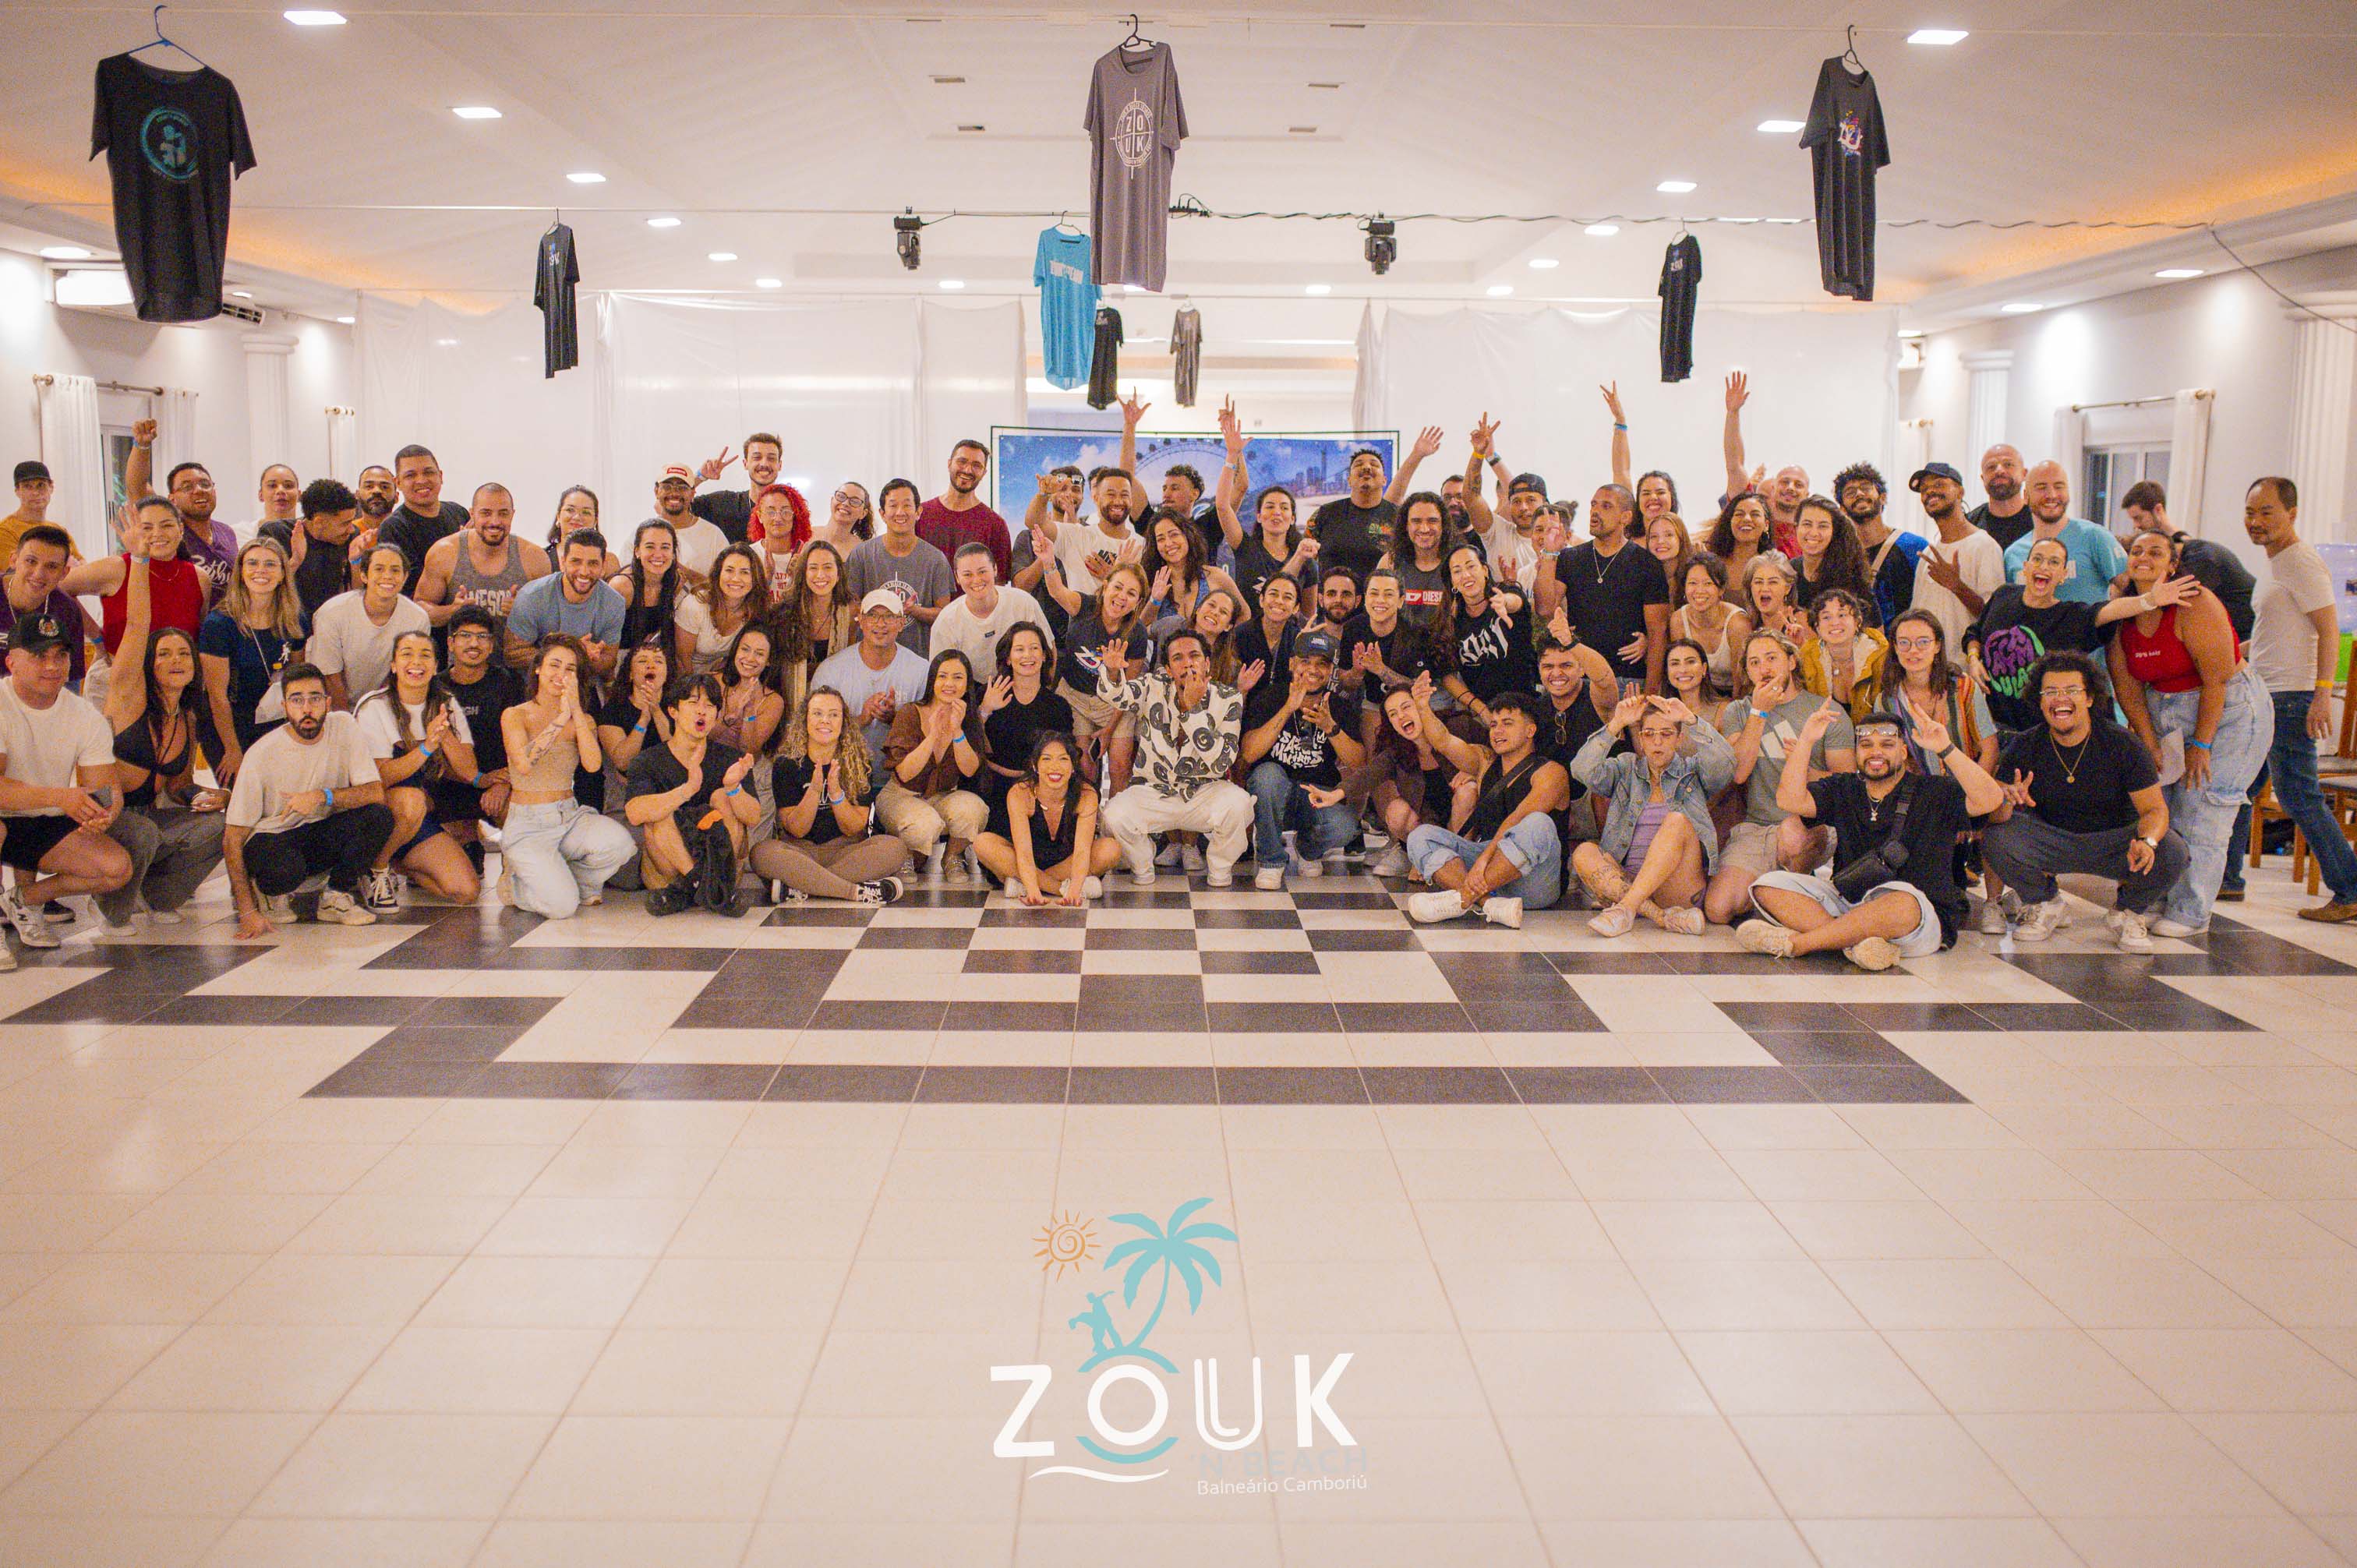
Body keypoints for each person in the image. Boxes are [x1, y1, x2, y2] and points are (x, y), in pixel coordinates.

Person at [1742, 700, 2007, 969]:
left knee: (1902, 900)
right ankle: (1858, 943)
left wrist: (1945, 748)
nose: (1875, 752)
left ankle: (1800, 944)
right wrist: (1807, 741)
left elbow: (1991, 799)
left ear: (1903, 751)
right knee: (1767, 884)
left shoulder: (1934, 790)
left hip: (1916, 914)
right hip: (1850, 901)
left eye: (1887, 745)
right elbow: (1790, 800)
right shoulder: (1845, 787)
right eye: (1866, 745)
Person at [2108, 528, 2272, 938]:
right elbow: (2127, 688)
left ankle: (2192, 912)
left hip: (2229, 711)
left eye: (2156, 552)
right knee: (2161, 809)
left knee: (2203, 814)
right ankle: (2157, 896)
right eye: (2137, 551)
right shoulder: (2124, 611)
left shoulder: (2195, 602)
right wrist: (2148, 742)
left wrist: (2202, 744)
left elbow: (2217, 680)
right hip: (2165, 710)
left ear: (2172, 564)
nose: (2144, 557)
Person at [1981, 651, 2190, 949]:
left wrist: (2148, 842)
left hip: (2117, 843)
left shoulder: (2123, 745)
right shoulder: (2025, 745)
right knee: (1997, 838)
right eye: (2050, 692)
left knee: (2172, 850)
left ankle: (2128, 912)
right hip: (2051, 840)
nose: (2060, 699)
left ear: (2090, 698)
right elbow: (1996, 816)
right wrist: (2006, 799)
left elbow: (2155, 809)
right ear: (2040, 700)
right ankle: (2045, 903)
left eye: (2071, 690)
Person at [2228, 477, 2357, 920]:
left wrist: (2322, 693)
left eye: (2267, 512)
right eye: (2250, 513)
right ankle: (2226, 880)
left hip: (2292, 698)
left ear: (2292, 514)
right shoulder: (2276, 563)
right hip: (2267, 695)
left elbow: (2329, 631)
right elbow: (2275, 635)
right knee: (2240, 788)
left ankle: (2350, 889)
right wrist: (2230, 652)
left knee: (2298, 795)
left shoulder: (2301, 561)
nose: (2256, 521)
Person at [221, 662, 394, 935]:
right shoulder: (261, 754)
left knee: (379, 817)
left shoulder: (344, 726)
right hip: (271, 837)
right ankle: (268, 893)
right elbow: (232, 837)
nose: (307, 709)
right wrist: (246, 911)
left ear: (327, 703)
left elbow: (374, 792)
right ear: (284, 707)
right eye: (297, 700)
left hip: (317, 829)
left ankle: (335, 896)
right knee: (285, 870)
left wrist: (321, 796)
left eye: (315, 698)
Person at [0, 615, 132, 959]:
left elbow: (105, 788)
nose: (52, 666)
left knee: (116, 869)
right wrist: (61, 797)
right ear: (11, 662)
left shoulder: (85, 715)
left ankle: (23, 901)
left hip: (42, 820)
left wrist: (103, 813)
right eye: (39, 656)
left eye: (60, 655)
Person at [1967, 536, 2186, 736]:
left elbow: (2110, 610)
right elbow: (1975, 633)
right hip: (1995, 728)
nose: (2044, 566)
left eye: (2054, 562)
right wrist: (1974, 659)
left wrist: (2149, 600)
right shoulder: (2003, 595)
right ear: (2026, 567)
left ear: (2063, 575)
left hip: (2043, 735)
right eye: (2038, 559)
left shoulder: (2070, 617)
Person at [1708, 631, 1854, 926]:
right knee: (1718, 909)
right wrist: (1759, 712)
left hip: (1811, 824)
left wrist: (1801, 767)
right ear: (1748, 672)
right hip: (1758, 828)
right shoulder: (1739, 711)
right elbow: (1739, 773)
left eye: (1772, 658)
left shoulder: (1826, 710)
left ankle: (1790, 901)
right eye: (1754, 662)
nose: (1764, 668)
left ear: (1791, 662)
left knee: (1791, 832)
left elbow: (1848, 784)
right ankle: (1784, 902)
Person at [98, 607, 225, 933]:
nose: (176, 660)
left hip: (148, 816)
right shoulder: (130, 702)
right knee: (143, 832)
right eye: (164, 654)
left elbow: (179, 785)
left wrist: (214, 797)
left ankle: (158, 897)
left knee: (224, 823)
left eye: (184, 653)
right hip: (106, 817)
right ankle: (110, 909)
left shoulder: (188, 717)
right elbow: (136, 623)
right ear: (149, 664)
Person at [1400, 683, 1566, 927]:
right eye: (1494, 724)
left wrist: (1483, 861)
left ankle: (1464, 898)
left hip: (1533, 879)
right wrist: (1423, 707)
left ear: (1530, 730)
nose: (1498, 731)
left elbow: (1518, 818)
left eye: (1507, 723)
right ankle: (1489, 904)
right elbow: (1443, 741)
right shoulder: (1485, 761)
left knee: (1538, 823)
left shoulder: (1551, 772)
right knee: (1420, 836)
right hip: (1488, 869)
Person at [1094, 629, 1253, 887]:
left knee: (1240, 804)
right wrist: (1112, 672)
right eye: (1178, 658)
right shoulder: (1152, 686)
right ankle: (1142, 864)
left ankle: (1220, 868)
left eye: (1194, 656)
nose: (1188, 663)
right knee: (1114, 815)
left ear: (1207, 663)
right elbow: (1117, 695)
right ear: (1168, 669)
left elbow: (1222, 763)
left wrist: (1193, 710)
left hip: (1204, 792)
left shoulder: (1228, 698)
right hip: (1155, 791)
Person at [1569, 693, 1733, 937]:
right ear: (1641, 739)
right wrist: (1617, 723)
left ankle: (1626, 908)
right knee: (1584, 852)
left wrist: (1691, 719)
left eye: (1666, 734)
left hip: (1676, 887)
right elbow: (1581, 769)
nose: (1657, 741)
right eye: (1649, 734)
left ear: (1679, 739)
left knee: (1676, 820)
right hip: (1626, 881)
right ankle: (1658, 915)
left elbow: (1726, 765)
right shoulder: (1626, 769)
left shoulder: (1693, 771)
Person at [495, 635, 634, 916]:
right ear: (538, 669)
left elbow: (593, 765)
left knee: (622, 845)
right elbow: (523, 764)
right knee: (562, 908)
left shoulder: (583, 720)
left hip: (568, 815)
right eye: (554, 665)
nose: (561, 674)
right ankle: (514, 884)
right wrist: (560, 719)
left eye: (570, 669)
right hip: (529, 823)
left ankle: (578, 882)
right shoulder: (515, 715)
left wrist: (576, 712)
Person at [353, 629, 482, 910]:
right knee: (412, 799)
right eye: (407, 654)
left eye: (425, 655)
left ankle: (400, 863)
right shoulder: (375, 706)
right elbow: (380, 779)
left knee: (466, 891)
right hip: (378, 811)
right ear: (393, 665)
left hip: (415, 816)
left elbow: (468, 771)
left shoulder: (445, 702)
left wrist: (444, 735)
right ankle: (374, 869)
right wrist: (426, 747)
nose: (416, 663)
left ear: (435, 666)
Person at [752, 684, 910, 905]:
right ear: (805, 720)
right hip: (800, 852)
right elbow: (797, 829)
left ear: (843, 722)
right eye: (817, 713)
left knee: (895, 848)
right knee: (762, 853)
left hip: (847, 851)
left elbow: (853, 828)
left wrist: (836, 794)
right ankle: (854, 891)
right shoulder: (786, 763)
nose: (825, 721)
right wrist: (815, 790)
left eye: (834, 715)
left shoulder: (859, 762)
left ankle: (801, 886)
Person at [624, 673, 762, 916]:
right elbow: (635, 813)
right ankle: (705, 885)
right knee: (659, 813)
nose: (702, 711)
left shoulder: (731, 759)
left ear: (716, 716)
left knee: (722, 797)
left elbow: (753, 817)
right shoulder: (648, 760)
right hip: (669, 864)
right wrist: (686, 790)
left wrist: (733, 787)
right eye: (693, 703)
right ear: (673, 711)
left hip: (719, 857)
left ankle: (693, 888)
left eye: (709, 706)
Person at [1241, 629, 1363, 888]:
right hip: (1272, 795)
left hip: (1315, 796)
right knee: (1267, 776)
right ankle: (1271, 861)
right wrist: (1288, 708)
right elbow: (1250, 753)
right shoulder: (1271, 697)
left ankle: (1308, 849)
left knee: (1346, 827)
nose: (1313, 670)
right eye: (1305, 661)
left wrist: (1330, 727)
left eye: (1322, 664)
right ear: (1291, 664)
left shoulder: (1339, 705)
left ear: (1331, 670)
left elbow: (1358, 762)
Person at [1536, 482, 1668, 692]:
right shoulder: (1571, 558)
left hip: (1629, 681)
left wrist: (1651, 694)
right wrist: (1550, 553)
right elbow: (1545, 609)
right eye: (1593, 505)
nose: (1595, 511)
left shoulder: (1647, 563)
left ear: (1625, 517)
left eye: (1606, 506)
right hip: (1579, 681)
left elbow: (1657, 634)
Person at [196, 535, 307, 773]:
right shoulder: (219, 624)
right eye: (253, 563)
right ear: (241, 572)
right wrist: (232, 749)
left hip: (276, 719)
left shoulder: (294, 619)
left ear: (282, 574)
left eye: (270, 564)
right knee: (243, 787)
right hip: (230, 724)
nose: (261, 570)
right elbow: (217, 696)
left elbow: (297, 678)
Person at [1039, 556, 1150, 793]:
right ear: (1105, 586)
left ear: (1138, 602)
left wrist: (1110, 729)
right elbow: (1057, 592)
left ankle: (1115, 816)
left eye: (1131, 593)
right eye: (1118, 587)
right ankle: (1088, 813)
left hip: (1115, 704)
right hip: (1076, 697)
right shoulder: (1084, 606)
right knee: (1084, 766)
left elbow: (1129, 690)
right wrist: (1048, 562)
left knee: (1120, 766)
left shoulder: (1137, 633)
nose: (1122, 597)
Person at [976, 730, 1122, 905]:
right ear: (1035, 766)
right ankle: (1056, 887)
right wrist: (1037, 892)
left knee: (1111, 848)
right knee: (982, 843)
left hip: (1068, 862)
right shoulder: (1020, 793)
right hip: (1028, 860)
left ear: (1073, 766)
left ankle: (1021, 884)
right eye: (1046, 759)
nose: (1055, 767)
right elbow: (1023, 853)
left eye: (1063, 759)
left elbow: (1082, 852)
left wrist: (1075, 890)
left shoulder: (1087, 794)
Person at [878, 649, 990, 874]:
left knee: (975, 810)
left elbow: (970, 770)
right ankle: (906, 856)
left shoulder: (970, 719)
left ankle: (953, 856)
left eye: (958, 677)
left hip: (943, 795)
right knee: (925, 824)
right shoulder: (910, 713)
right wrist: (933, 735)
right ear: (933, 681)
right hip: (901, 795)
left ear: (967, 684)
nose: (949, 683)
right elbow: (905, 773)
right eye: (943, 676)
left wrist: (957, 731)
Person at [62, 496, 206, 660]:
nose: (157, 534)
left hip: (177, 673)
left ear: (181, 529)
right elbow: (56, 585)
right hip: (119, 671)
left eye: (167, 525)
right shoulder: (116, 568)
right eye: (147, 528)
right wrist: (96, 636)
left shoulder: (199, 578)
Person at [1604, 373, 1756, 519]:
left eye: (1660, 492)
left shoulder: (1682, 535)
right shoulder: (1629, 529)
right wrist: (1620, 421)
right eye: (1646, 493)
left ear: (1672, 499)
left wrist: (1733, 413)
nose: (1653, 497)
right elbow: (1621, 472)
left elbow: (1734, 467)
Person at [2122, 482, 2256, 640]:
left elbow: (2177, 605)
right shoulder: (2184, 546)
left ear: (2158, 510)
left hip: (2246, 639)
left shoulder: (2200, 557)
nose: (2136, 526)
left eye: (2138, 518)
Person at [1214, 403, 1315, 613]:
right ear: (1259, 516)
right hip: (1247, 631)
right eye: (1269, 506)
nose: (1277, 512)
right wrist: (1232, 454)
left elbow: (1307, 615)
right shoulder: (1245, 547)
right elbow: (1223, 506)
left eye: (1284, 508)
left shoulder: (1305, 559)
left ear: (1292, 518)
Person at [440, 605, 520, 864]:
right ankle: (470, 840)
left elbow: (526, 742)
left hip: (499, 782)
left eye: (482, 636)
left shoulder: (509, 683)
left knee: (520, 817)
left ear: (492, 644)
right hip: (451, 783)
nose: (474, 643)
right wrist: (477, 780)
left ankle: (515, 873)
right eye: (465, 636)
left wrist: (504, 783)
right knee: (453, 866)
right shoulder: (436, 688)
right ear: (450, 643)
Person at [309, 542, 431, 711]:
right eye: (379, 569)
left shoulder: (417, 618)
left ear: (405, 577)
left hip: (385, 705)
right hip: (332, 706)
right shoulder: (331, 613)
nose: (388, 576)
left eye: (395, 570)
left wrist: (376, 713)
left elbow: (404, 674)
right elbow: (330, 676)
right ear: (364, 576)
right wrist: (347, 721)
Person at [124, 424, 238, 605]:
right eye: (187, 487)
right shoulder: (168, 533)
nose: (199, 490)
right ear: (172, 499)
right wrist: (142, 446)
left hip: (223, 620)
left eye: (205, 484)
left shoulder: (227, 532)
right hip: (181, 620)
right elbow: (137, 487)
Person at [1432, 542, 1536, 733]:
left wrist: (1505, 603)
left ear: (1485, 570)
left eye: (1471, 566)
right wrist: (1481, 709)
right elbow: (1446, 674)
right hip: (1485, 713)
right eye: (1457, 571)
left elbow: (1517, 602)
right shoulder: (1449, 621)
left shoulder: (1503, 593)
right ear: (1453, 582)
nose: (1466, 575)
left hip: (1523, 707)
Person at [813, 591, 930, 758]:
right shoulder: (830, 670)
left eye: (889, 616)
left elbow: (930, 734)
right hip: (842, 770)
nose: (880, 624)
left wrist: (896, 719)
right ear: (861, 621)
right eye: (872, 615)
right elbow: (815, 731)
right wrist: (862, 719)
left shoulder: (921, 671)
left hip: (900, 772)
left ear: (901, 623)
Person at [413, 482, 546, 630]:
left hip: (514, 645)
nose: (495, 522)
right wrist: (453, 611)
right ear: (472, 514)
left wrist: (525, 612)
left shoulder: (534, 558)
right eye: (486, 513)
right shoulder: (445, 552)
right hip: (460, 645)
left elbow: (551, 619)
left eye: (503, 514)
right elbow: (419, 609)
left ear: (512, 515)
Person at [845, 478, 955, 655]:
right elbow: (851, 611)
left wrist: (913, 610)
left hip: (919, 659)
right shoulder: (861, 555)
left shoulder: (936, 559)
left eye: (907, 505)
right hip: (869, 659)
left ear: (918, 512)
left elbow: (945, 615)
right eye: (893, 505)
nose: (900, 512)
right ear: (882, 513)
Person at [1908, 462, 2008, 652]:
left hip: (1966, 664)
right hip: (1927, 664)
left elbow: (1994, 618)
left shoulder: (1985, 546)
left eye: (1939, 484)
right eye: (1924, 489)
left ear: (1960, 492)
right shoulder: (1928, 554)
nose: (1930, 492)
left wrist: (1957, 586)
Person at [976, 623, 1072, 813]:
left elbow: (1066, 758)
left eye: (1034, 648)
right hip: (991, 787)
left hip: (1040, 789)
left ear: (1044, 656)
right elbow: (971, 745)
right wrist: (985, 709)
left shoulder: (1058, 706)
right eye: (1019, 649)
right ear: (1008, 658)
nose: (1027, 655)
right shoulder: (988, 693)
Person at [593, 640, 676, 860]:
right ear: (630, 674)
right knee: (627, 858)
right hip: (626, 793)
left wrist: (656, 711)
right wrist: (644, 719)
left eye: (658, 661)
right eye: (642, 661)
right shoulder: (613, 710)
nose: (651, 665)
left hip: (671, 792)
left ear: (667, 674)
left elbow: (679, 754)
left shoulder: (680, 707)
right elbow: (623, 762)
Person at [506, 531, 627, 679]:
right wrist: (572, 652)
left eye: (593, 563)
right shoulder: (532, 596)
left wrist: (592, 658)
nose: (584, 572)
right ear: (563, 563)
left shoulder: (614, 603)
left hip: (582, 684)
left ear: (603, 567)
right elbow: (512, 654)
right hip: (535, 684)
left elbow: (610, 659)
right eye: (576, 561)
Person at [2002, 462, 2126, 606]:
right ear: (2026, 496)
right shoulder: (2013, 554)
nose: (2051, 495)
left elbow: (2131, 587)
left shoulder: (2095, 537)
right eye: (2041, 487)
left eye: (2059, 487)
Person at [930, 543, 1056, 683]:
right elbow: (940, 677)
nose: (977, 580)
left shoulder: (1024, 602)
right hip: (971, 690)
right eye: (967, 575)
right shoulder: (946, 621)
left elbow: (1049, 650)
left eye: (982, 572)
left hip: (1023, 685)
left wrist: (1045, 690)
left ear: (995, 569)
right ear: (957, 577)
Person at [765, 541, 854, 714]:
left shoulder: (850, 612)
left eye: (828, 567)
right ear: (804, 573)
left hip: (832, 706)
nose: (820, 574)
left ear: (838, 574)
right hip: (789, 706)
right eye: (813, 568)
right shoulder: (784, 613)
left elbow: (849, 665)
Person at [0, 524, 90, 690]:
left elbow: (69, 685)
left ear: (64, 573)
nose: (39, 574)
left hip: (38, 701)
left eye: (51, 566)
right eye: (31, 561)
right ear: (14, 560)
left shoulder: (67, 611)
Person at [261, 478, 364, 620]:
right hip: (286, 621)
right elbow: (264, 588)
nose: (351, 529)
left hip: (331, 623)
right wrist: (296, 560)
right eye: (345, 523)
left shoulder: (350, 536)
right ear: (319, 522)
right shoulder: (276, 533)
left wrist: (355, 562)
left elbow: (357, 594)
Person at [1835, 462, 1923, 628]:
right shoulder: (1840, 555)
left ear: (1883, 497)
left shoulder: (1913, 547)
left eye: (1866, 488)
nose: (1859, 494)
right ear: (1842, 509)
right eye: (1850, 492)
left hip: (1905, 641)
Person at [376, 444, 470, 598]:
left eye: (428, 472)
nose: (421, 480)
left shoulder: (458, 513)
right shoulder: (393, 528)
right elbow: (408, 589)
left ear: (440, 476)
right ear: (398, 483)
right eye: (410, 475)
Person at [917, 439, 1012, 583]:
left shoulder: (995, 525)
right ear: (949, 464)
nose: (968, 470)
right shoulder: (920, 514)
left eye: (976, 465)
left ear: (984, 473)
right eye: (962, 462)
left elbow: (999, 584)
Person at [1306, 447, 1400, 581]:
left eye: (1374, 464)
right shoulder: (1324, 513)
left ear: (1384, 480)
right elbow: (1305, 556)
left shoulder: (1399, 517)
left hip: (1380, 594)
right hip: (1331, 594)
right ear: (1349, 480)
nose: (1367, 467)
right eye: (1358, 464)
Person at [677, 541, 772, 674]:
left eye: (744, 572)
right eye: (729, 570)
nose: (736, 579)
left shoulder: (754, 610)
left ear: (755, 578)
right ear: (718, 574)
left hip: (718, 676)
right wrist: (698, 685)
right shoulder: (695, 605)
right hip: (684, 675)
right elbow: (681, 660)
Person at [1798, 588, 1890, 723]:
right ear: (1817, 627)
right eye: (1826, 617)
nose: (1835, 623)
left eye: (1842, 615)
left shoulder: (1881, 657)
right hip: (1827, 734)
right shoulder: (1807, 659)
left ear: (1857, 622)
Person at [1142, 509, 1243, 630]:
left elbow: (1244, 615)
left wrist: (1225, 640)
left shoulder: (1215, 576)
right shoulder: (1149, 581)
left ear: (1187, 535)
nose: (1168, 543)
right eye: (1161, 539)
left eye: (1174, 534)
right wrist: (1155, 601)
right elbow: (1138, 630)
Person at [1790, 493, 1878, 627]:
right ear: (1796, 528)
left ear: (1833, 531)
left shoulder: (1851, 574)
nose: (1814, 533)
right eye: (1807, 524)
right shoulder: (1789, 570)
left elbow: (1876, 633)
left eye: (1822, 526)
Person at [685, 431, 784, 544]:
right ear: (745, 463)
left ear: (780, 465)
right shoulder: (724, 503)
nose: (764, 464)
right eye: (757, 458)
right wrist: (700, 477)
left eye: (771, 458)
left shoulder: (792, 508)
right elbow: (674, 507)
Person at [1726, 555, 1808, 691]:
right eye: (1758, 582)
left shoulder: (1801, 620)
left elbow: (1814, 676)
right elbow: (1741, 683)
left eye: (1773, 582)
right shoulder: (1747, 625)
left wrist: (1801, 646)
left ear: (1787, 588)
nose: (1764, 588)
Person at [613, 518, 691, 658]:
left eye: (665, 547)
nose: (658, 554)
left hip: (650, 655)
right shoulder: (623, 586)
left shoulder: (675, 581)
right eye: (650, 547)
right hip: (617, 656)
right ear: (637, 551)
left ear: (673, 553)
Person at [1380, 493, 1457, 631]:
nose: (1424, 529)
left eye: (1432, 521)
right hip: (1400, 643)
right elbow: (1376, 610)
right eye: (1416, 521)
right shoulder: (1391, 561)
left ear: (1443, 525)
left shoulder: (1457, 561)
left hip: (1448, 642)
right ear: (1406, 525)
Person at [711, 625, 786, 758]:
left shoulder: (773, 701)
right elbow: (701, 735)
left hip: (741, 764)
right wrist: (731, 717)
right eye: (745, 649)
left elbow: (748, 750)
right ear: (736, 650)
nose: (750, 658)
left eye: (759, 654)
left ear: (769, 661)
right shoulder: (714, 681)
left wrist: (749, 710)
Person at [1670, 553, 1738, 696]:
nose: (1699, 590)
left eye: (1708, 583)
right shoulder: (1678, 620)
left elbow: (1742, 683)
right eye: (1693, 583)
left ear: (1721, 589)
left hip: (1735, 695)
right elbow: (1680, 673)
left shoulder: (1737, 623)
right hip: (1698, 693)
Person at [645, 465, 726, 578]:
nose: (674, 493)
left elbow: (726, 583)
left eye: (682, 488)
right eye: (667, 487)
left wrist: (687, 575)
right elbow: (625, 577)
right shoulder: (643, 534)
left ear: (692, 493)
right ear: (656, 491)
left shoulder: (714, 535)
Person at [1702, 490, 1782, 595]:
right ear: (1730, 522)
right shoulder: (1710, 563)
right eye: (1739, 514)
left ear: (1766, 525)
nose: (1747, 519)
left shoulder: (1775, 568)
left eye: (1755, 514)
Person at [1969, 443, 2034, 553]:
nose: (1999, 471)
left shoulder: (2039, 521)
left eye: (2008, 464)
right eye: (1991, 467)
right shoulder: (1970, 525)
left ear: (2024, 474)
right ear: (1983, 478)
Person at [748, 484, 814, 592]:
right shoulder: (749, 555)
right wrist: (767, 578)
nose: (778, 518)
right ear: (759, 516)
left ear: (795, 516)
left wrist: (799, 578)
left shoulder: (806, 556)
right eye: (771, 512)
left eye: (786, 512)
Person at [542, 486, 617, 574]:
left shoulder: (609, 561)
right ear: (558, 516)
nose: (577, 517)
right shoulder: (541, 558)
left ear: (595, 521)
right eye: (570, 510)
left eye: (586, 512)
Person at [0, 460, 61, 565]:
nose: (35, 492)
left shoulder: (58, 530)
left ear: (51, 487)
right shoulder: (5, 532)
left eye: (41, 485)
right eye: (27, 486)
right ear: (17, 491)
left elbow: (83, 567)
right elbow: (15, 573)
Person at [1664, 636, 1727, 729]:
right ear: (1667, 672)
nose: (1683, 670)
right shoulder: (1658, 712)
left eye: (1690, 662)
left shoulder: (1724, 710)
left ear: (1704, 669)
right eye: (1675, 663)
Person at [235, 463, 302, 549]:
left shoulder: (310, 534)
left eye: (288, 486)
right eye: (272, 486)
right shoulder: (238, 534)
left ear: (299, 495)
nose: (280, 490)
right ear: (261, 495)